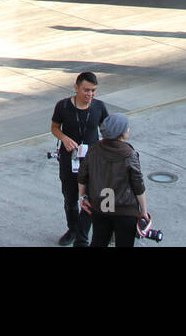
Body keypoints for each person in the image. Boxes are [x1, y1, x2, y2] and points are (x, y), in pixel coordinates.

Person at [50, 72, 110, 246]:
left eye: (93, 91)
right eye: (86, 90)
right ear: (76, 88)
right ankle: (73, 229)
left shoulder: (99, 107)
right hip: (69, 160)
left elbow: (107, 131)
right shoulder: (63, 106)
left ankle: (82, 235)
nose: (90, 94)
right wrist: (64, 138)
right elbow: (54, 127)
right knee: (70, 198)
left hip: (92, 161)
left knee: (91, 198)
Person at [77, 112, 148, 248]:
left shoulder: (94, 149)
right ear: (121, 132)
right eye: (127, 127)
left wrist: (82, 197)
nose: (128, 129)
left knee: (99, 241)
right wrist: (143, 211)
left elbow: (82, 175)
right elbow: (138, 184)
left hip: (100, 207)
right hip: (125, 210)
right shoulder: (129, 154)